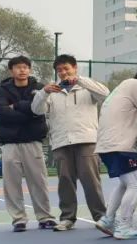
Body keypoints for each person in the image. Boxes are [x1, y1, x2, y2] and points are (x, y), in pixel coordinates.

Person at [30, 54, 110, 231]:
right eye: (59, 70)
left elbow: (105, 94)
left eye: (66, 68)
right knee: (65, 181)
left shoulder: (87, 87)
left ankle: (101, 217)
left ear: (75, 68)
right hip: (61, 142)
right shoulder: (52, 92)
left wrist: (80, 80)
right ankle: (67, 218)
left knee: (91, 181)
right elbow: (36, 110)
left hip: (86, 140)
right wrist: (44, 92)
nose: (63, 72)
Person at [0, 57, 56, 230]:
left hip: (33, 142)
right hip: (10, 143)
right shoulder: (1, 91)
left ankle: (44, 217)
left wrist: (16, 106)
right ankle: (18, 219)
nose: (22, 70)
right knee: (11, 184)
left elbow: (39, 111)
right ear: (11, 70)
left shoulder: (39, 88)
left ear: (30, 70)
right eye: (18, 67)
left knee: (39, 182)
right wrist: (29, 112)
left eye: (25, 67)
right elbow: (2, 113)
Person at [94, 66, 137, 239]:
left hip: (108, 145)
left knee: (125, 183)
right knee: (136, 183)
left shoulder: (123, 88)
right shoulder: (136, 85)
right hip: (119, 145)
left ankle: (108, 219)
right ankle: (124, 226)